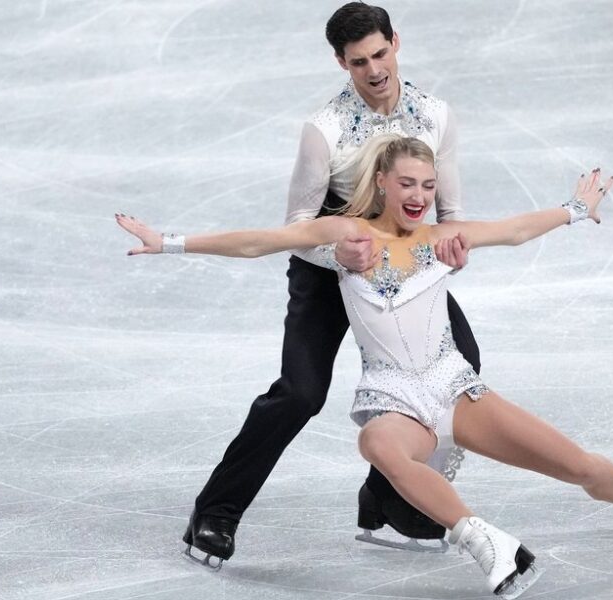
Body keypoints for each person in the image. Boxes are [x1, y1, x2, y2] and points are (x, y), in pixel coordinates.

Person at [115, 135, 613, 599]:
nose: (419, 194)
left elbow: (513, 232)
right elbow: (259, 241)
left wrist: (575, 209)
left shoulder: (440, 238)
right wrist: (169, 242)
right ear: (381, 181)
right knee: (378, 444)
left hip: (454, 387)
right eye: (407, 182)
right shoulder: (346, 235)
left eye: (428, 185)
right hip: (395, 397)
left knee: (582, 468)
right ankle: (485, 542)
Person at [183, 2, 482, 565]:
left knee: (459, 365)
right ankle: (215, 511)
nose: (374, 70)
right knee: (300, 392)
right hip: (327, 268)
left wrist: (451, 245)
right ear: (341, 63)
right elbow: (296, 227)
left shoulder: (435, 115)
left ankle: (386, 498)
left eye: (380, 54)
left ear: (396, 42)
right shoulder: (325, 129)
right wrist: (336, 252)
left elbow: (452, 211)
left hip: (399, 268)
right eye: (358, 61)